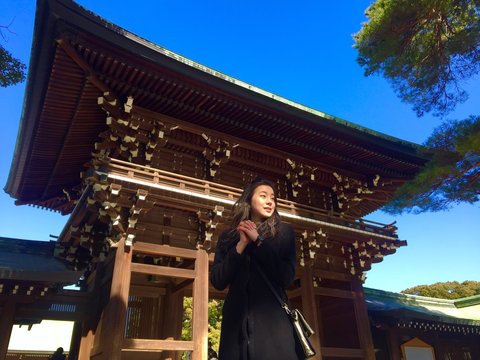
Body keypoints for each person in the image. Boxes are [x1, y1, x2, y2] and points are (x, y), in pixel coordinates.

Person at [211, 177, 304, 360]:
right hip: (235, 330)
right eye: (263, 196)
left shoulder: (284, 233)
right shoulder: (228, 237)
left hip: (273, 330)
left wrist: (258, 241)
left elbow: (286, 277)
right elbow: (218, 281)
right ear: (248, 200)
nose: (270, 201)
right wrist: (241, 245)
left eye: (273, 197)